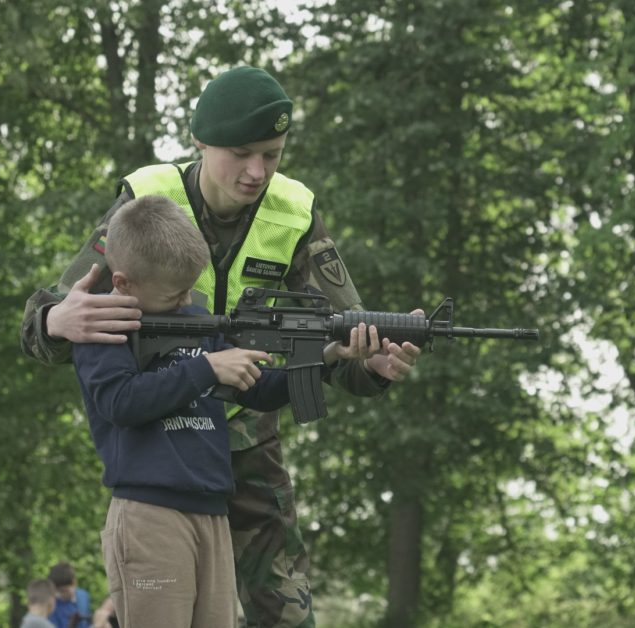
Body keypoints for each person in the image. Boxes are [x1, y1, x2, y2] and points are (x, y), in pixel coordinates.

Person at [21, 65, 422, 628]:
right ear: (200, 142)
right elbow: (48, 329)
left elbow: (338, 343)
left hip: (250, 442)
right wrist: (56, 320)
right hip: (159, 450)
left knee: (288, 617)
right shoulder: (146, 201)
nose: (258, 171)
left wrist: (370, 363)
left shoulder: (296, 214)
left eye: (273, 154)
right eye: (242, 152)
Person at [75, 195, 371, 627]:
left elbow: (258, 389)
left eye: (190, 290)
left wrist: (327, 357)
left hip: (213, 512)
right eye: (174, 294)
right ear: (123, 284)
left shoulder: (195, 320)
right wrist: (207, 366)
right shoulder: (100, 327)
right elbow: (120, 402)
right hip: (150, 516)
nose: (185, 303)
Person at [46, 562, 90, 628]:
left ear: (74, 583)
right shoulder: (53, 604)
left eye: (63, 591)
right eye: (56, 591)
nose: (60, 595)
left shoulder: (84, 596)